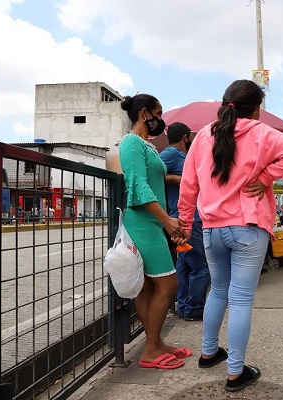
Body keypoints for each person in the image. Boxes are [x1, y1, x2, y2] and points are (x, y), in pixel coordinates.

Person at [178, 80, 283, 392]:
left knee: (218, 291)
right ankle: (235, 372)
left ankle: (209, 353)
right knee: (239, 299)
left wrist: (185, 221)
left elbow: (188, 183)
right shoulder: (259, 132)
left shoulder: (203, 136)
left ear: (226, 103)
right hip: (247, 229)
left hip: (211, 229)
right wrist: (264, 176)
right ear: (256, 109)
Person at [118, 93, 190, 370]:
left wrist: (164, 221)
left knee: (149, 286)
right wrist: (167, 220)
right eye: (159, 114)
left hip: (151, 221)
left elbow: (153, 182)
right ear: (145, 113)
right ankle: (150, 349)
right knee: (168, 284)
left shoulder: (147, 146)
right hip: (143, 221)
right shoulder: (131, 143)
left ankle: (155, 342)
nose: (162, 120)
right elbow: (138, 187)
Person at [160, 122, 210, 322]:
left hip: (187, 216)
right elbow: (155, 172)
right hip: (187, 217)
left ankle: (184, 307)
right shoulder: (171, 154)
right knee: (201, 266)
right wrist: (179, 179)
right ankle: (194, 309)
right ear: (186, 137)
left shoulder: (184, 157)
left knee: (185, 265)